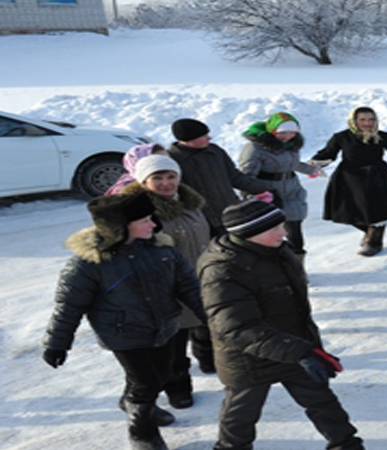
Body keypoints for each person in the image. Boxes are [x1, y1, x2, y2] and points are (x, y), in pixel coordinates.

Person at [42, 192, 205, 450]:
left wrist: (212, 317)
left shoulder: (163, 250)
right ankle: (142, 432)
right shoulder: (88, 264)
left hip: (164, 326)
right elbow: (69, 306)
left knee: (161, 376)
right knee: (147, 382)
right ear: (120, 228)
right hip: (123, 334)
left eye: (152, 219)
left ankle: (134, 402)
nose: (153, 225)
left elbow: (190, 288)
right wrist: (57, 343)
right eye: (145, 221)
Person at [198, 200, 363, 450]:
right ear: (248, 234)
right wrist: (300, 351)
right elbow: (237, 328)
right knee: (240, 417)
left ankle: (347, 445)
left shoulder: (279, 250)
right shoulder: (222, 270)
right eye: (273, 229)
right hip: (247, 357)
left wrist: (305, 348)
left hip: (293, 345)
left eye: (281, 226)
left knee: (323, 403)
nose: (283, 233)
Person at [119, 154, 212, 410]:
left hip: (199, 280)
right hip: (166, 290)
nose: (165, 183)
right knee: (173, 346)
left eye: (171, 176)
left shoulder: (190, 203)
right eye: (157, 178)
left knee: (204, 329)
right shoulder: (140, 211)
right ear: (143, 180)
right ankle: (177, 388)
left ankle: (206, 363)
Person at [308, 106, 387, 256]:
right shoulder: (341, 137)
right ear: (354, 121)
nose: (367, 123)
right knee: (346, 211)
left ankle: (374, 242)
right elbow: (328, 153)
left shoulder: (381, 136)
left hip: (377, 177)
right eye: (362, 119)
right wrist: (313, 164)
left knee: (378, 211)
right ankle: (370, 232)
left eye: (371, 119)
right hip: (349, 179)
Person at [165, 118, 271, 236]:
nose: (209, 138)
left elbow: (235, 177)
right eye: (204, 135)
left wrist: (263, 189)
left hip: (232, 213)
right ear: (189, 139)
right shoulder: (172, 160)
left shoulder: (215, 151)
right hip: (202, 221)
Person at [238, 112, 321, 258]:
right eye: (283, 132)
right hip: (268, 193)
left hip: (292, 191)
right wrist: (253, 194)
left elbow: (292, 163)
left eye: (292, 133)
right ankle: (273, 268)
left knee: (295, 231)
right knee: (269, 233)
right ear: (272, 130)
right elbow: (246, 175)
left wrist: (310, 169)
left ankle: (297, 268)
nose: (288, 136)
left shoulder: (291, 145)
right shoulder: (255, 147)